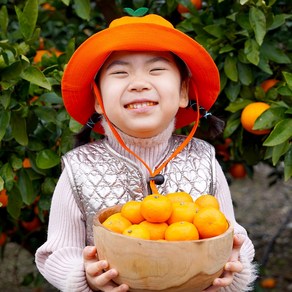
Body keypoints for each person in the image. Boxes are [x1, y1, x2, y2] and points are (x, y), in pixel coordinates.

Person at [35, 13, 257, 292]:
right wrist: (85, 276)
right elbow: (57, 251)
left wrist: (232, 268)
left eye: (156, 70)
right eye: (120, 73)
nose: (139, 83)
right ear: (98, 100)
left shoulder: (204, 159)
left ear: (183, 92)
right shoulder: (79, 168)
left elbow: (232, 235)